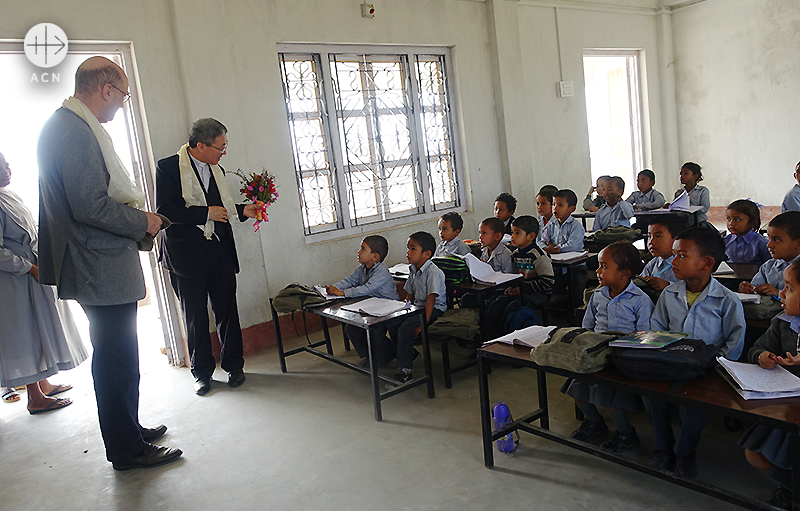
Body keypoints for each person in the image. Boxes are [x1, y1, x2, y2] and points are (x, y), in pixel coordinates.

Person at [37, 56, 181, 469]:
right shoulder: (73, 131)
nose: (121, 106)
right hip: (96, 264)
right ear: (106, 90)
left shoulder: (70, 124)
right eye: (123, 97)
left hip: (96, 262)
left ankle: (128, 429)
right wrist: (145, 221)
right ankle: (126, 449)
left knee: (120, 355)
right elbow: (90, 205)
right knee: (116, 359)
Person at [156, 118, 259, 396]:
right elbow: (166, 211)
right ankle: (201, 373)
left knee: (226, 309)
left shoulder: (217, 169)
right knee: (196, 315)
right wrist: (205, 214)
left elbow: (221, 208)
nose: (223, 152)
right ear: (200, 146)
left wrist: (243, 210)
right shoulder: (167, 168)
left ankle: (234, 366)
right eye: (220, 147)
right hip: (186, 254)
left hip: (219, 249)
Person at [644, 227, 745, 479]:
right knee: (651, 395)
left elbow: (735, 340)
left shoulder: (726, 299)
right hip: (670, 361)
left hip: (705, 369)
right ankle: (664, 446)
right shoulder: (669, 293)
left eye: (681, 256)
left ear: (707, 263)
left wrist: (716, 366)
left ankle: (684, 451)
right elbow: (656, 328)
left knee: (695, 404)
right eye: (674, 255)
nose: (674, 261)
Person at [0, 152, 86, 414]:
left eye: (7, 163)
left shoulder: (8, 195)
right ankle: (34, 397)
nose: (8, 168)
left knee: (38, 330)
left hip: (32, 273)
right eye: (2, 165)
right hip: (14, 281)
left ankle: (44, 383)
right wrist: (29, 267)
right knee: (25, 334)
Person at [562, 242, 652, 453]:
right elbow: (587, 327)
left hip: (622, 357)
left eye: (604, 266)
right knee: (579, 394)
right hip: (595, 353)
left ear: (624, 273)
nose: (598, 271)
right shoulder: (597, 295)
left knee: (610, 401)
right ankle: (595, 423)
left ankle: (626, 434)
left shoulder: (640, 301)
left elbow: (644, 336)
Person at [739, 260, 800, 510]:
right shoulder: (783, 322)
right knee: (756, 454)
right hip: (788, 408)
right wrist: (761, 357)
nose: (781, 293)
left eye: (789, 288)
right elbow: (757, 348)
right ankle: (792, 489)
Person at [325, 235, 399, 366]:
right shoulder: (362, 269)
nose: (358, 252)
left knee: (376, 333)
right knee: (351, 330)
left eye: (363, 249)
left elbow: (367, 289)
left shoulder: (381, 271)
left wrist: (342, 293)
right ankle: (369, 356)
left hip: (388, 309)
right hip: (371, 307)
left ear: (374, 257)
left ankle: (387, 354)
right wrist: (335, 287)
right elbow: (350, 280)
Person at [389, 231, 446, 383]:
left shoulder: (433, 272)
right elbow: (410, 295)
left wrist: (422, 325)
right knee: (393, 323)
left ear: (427, 254)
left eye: (413, 249)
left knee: (405, 329)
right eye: (408, 248)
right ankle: (411, 354)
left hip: (433, 310)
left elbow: (431, 301)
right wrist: (403, 311)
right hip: (418, 308)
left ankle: (405, 371)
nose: (408, 252)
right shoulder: (413, 269)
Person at [485, 216, 554, 339]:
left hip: (538, 293)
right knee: (495, 305)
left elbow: (547, 282)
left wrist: (521, 290)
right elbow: (516, 277)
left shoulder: (538, 256)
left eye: (517, 233)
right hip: (521, 291)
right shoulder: (515, 254)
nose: (512, 236)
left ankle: (506, 338)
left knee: (512, 307)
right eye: (512, 232)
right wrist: (511, 287)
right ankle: (491, 340)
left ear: (531, 236)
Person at [739, 212, 800, 297]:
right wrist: (749, 289)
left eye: (777, 239)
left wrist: (777, 293)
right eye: (769, 238)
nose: (769, 244)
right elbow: (755, 287)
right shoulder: (768, 267)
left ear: (798, 243)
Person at [639, 215, 683, 294]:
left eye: (658, 236)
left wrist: (668, 285)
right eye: (649, 236)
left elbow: (693, 289)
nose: (651, 242)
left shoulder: (684, 264)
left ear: (676, 239)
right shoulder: (652, 264)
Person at [725, 199, 770, 265]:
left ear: (753, 223)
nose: (731, 223)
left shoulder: (761, 244)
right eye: (728, 219)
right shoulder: (726, 241)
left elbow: (769, 267)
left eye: (737, 219)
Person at [667, 162, 711, 226]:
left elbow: (705, 207)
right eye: (680, 174)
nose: (681, 176)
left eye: (685, 173)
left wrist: (691, 210)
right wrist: (671, 206)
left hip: (699, 223)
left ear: (695, 176)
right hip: (683, 223)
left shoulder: (702, 191)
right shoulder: (679, 193)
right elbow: (677, 208)